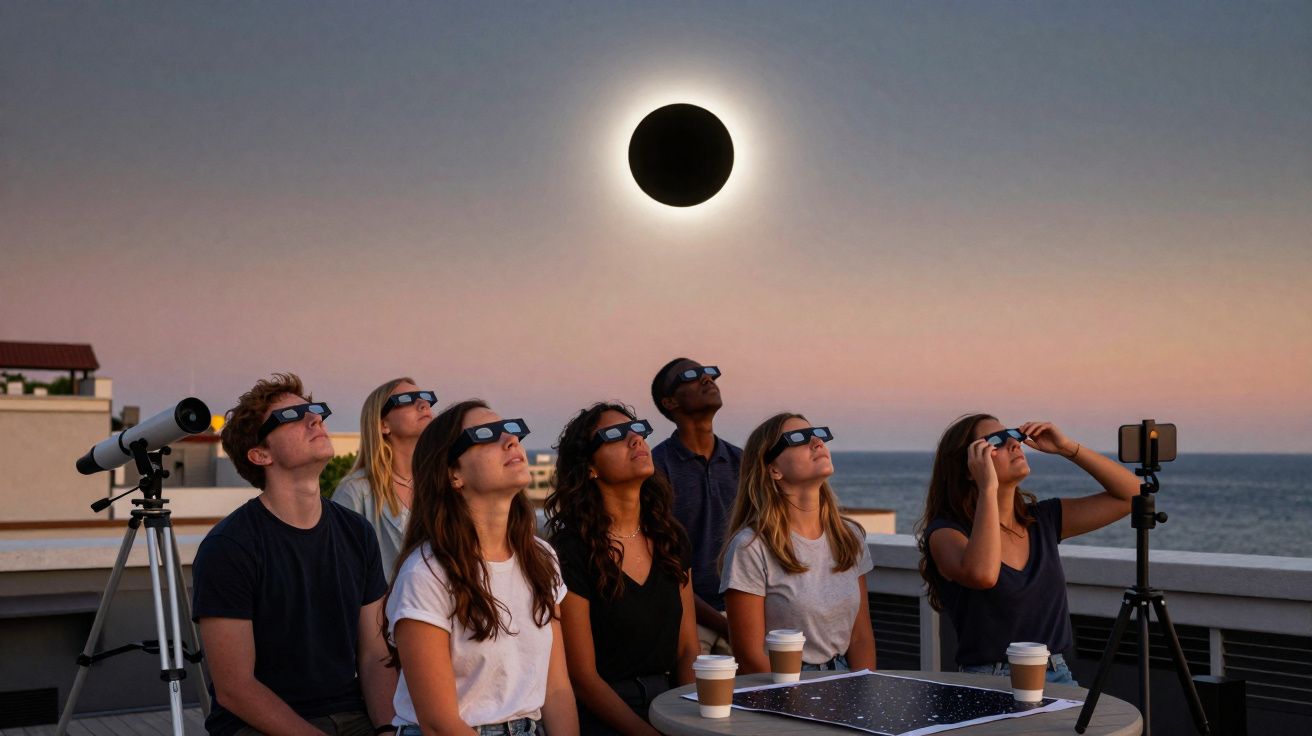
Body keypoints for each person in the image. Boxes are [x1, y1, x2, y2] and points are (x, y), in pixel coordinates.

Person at [192, 373, 396, 735]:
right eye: (292, 416)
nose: (315, 419)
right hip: (258, 724)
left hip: (352, 713)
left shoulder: (356, 533)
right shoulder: (229, 547)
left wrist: (387, 730)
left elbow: (375, 655)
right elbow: (235, 688)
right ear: (260, 454)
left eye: (315, 411)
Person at [385, 400, 578, 736]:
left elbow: (557, 690)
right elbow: (438, 723)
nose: (511, 440)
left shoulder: (541, 558)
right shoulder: (426, 573)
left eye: (511, 430)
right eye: (487, 434)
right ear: (453, 474)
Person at [916, 415, 1138, 684]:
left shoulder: (1042, 520)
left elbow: (1134, 496)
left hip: (1057, 673)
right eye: (996, 441)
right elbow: (983, 575)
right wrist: (988, 488)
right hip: (992, 679)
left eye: (1013, 435)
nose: (1014, 443)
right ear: (969, 467)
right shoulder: (946, 533)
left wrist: (1067, 448)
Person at [544, 403, 699, 735]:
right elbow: (583, 677)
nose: (636, 439)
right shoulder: (571, 550)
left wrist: (689, 721)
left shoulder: (670, 538)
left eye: (638, 429)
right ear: (589, 467)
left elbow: (688, 649)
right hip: (604, 716)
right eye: (615, 434)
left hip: (671, 705)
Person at [719, 413, 876, 674]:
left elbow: (861, 638)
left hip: (843, 678)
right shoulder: (750, 547)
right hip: (783, 682)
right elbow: (750, 656)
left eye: (817, 434)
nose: (817, 442)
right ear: (774, 469)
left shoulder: (849, 537)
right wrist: (791, 695)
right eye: (799, 438)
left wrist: (863, 688)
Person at [649, 358, 741, 655]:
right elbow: (662, 562)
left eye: (710, 373)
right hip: (687, 618)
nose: (706, 379)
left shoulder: (742, 462)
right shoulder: (655, 468)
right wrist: (722, 624)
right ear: (670, 402)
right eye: (691, 375)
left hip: (744, 612)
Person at [332, 378, 436, 580]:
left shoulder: (442, 483)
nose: (423, 404)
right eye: (407, 399)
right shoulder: (355, 491)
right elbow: (339, 568)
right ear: (383, 425)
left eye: (424, 398)